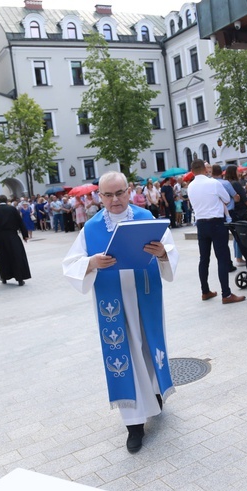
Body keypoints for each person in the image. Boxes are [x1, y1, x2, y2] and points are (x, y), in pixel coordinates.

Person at [62, 171, 178, 453]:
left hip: (145, 294)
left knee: (148, 349)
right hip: (113, 303)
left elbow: (170, 250)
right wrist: (91, 263)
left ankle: (154, 392)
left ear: (129, 191)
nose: (115, 200)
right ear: (99, 197)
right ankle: (134, 425)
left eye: (119, 193)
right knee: (124, 354)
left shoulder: (147, 218)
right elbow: (70, 264)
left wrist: (162, 252)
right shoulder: (90, 229)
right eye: (108, 195)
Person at [188, 159, 245, 304]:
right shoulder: (213, 183)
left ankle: (205, 291)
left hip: (201, 224)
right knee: (222, 257)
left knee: (204, 258)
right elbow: (227, 199)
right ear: (204, 169)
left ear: (192, 170)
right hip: (216, 223)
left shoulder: (190, 186)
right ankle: (226, 294)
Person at [0, 194, 31, 286]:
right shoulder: (12, 209)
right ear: (7, 201)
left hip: (0, 238)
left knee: (3, 258)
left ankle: (4, 277)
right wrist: (25, 235)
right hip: (12, 236)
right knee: (17, 256)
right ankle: (20, 278)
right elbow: (20, 221)